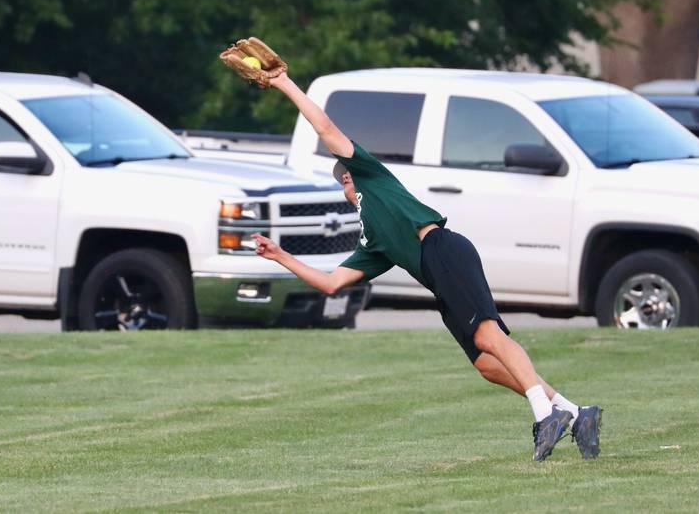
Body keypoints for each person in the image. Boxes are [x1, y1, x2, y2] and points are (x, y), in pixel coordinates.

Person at [248, 70, 601, 461]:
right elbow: (332, 283)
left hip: (442, 248)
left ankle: (544, 414)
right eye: (343, 179)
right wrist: (281, 256)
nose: (345, 180)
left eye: (344, 175)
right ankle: (573, 412)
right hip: (438, 274)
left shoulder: (371, 176)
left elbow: (324, 125)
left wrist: (282, 83)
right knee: (486, 364)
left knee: (488, 337)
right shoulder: (372, 240)